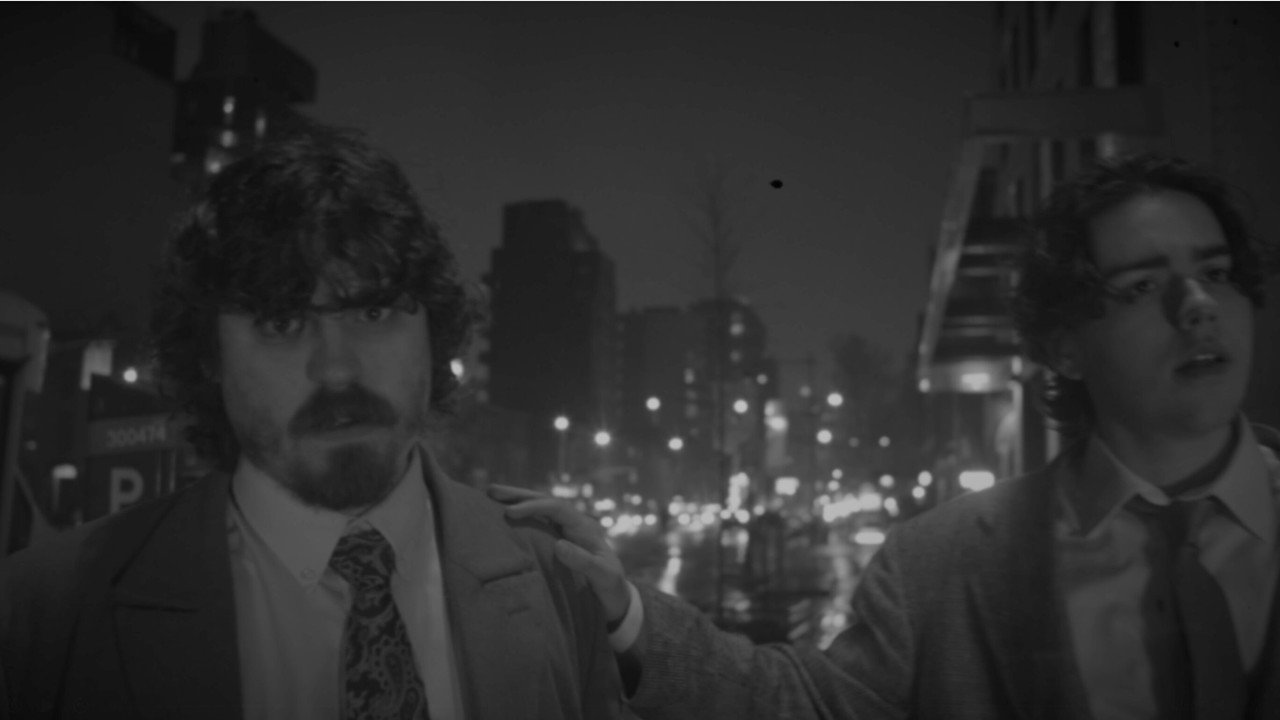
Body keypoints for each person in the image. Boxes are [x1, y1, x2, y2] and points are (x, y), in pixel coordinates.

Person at [492, 153, 1280, 720]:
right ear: (1065, 344)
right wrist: (626, 607)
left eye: (1216, 273)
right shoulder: (944, 562)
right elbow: (811, 705)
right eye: (1143, 286)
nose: (1197, 305)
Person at [0, 124, 629, 719]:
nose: (336, 369)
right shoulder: (42, 613)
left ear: (433, 333)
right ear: (209, 355)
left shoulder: (558, 578)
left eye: (374, 312)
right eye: (281, 322)